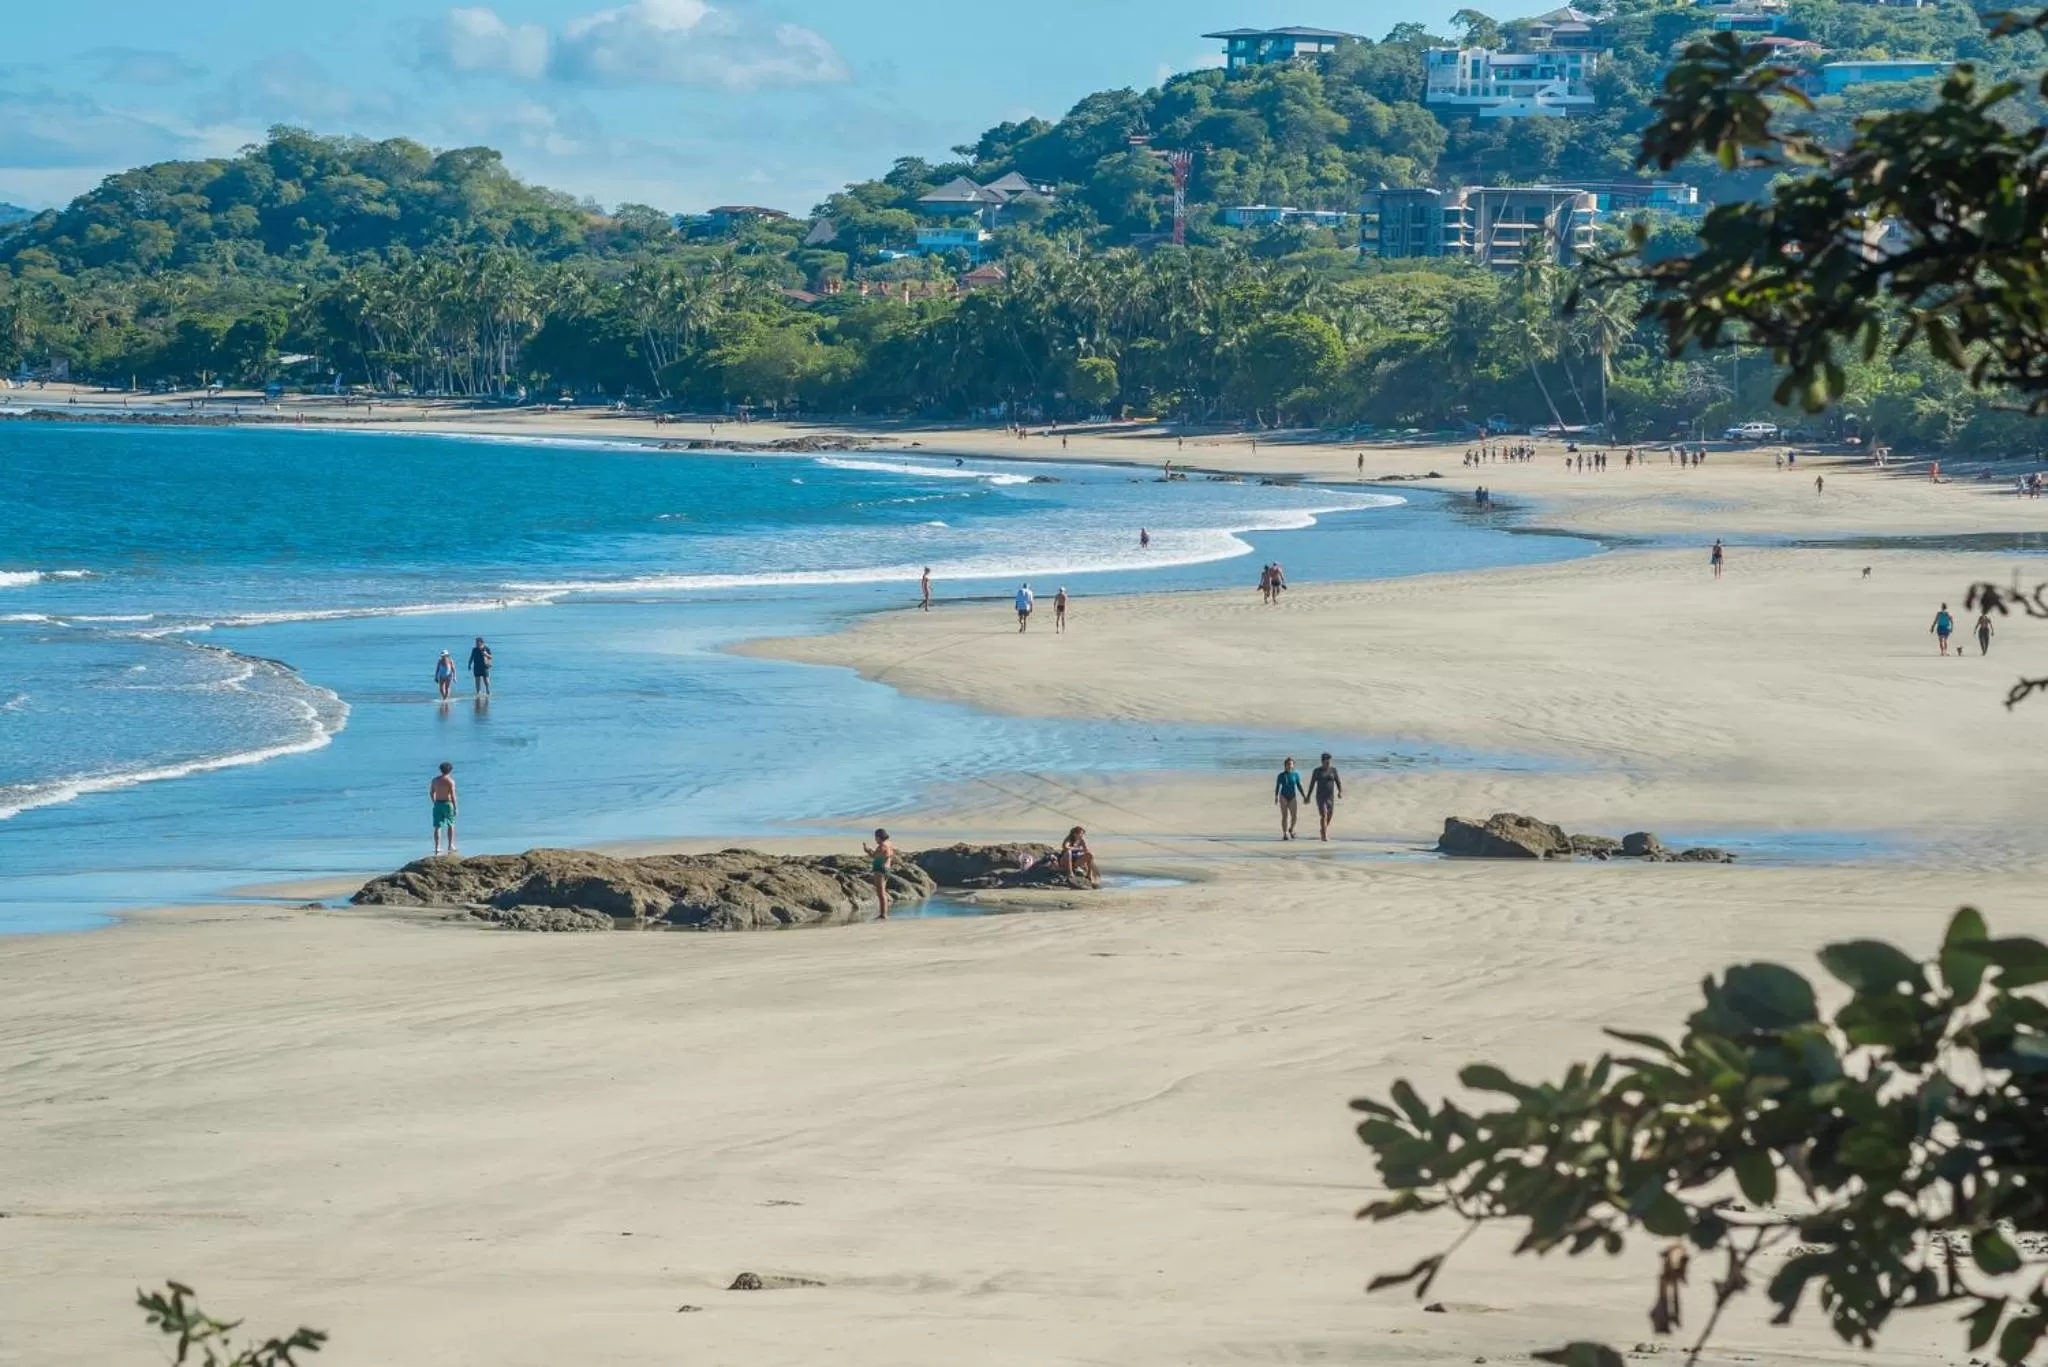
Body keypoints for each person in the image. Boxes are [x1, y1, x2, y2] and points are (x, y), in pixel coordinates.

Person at [1306, 752, 1343, 842]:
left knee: (1330, 815)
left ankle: (1323, 830)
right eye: (1326, 762)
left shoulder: (1333, 770)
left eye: (1329, 762)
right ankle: (1324, 835)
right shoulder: (1317, 771)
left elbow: (1338, 782)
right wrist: (1308, 796)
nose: (1328, 764)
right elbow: (1312, 784)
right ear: (1322, 762)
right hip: (1320, 797)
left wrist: (1340, 792)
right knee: (1324, 815)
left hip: (1330, 797)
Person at [863, 828, 896, 920]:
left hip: (880, 870)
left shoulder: (882, 846)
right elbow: (888, 855)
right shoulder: (889, 843)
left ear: (879, 837)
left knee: (881, 893)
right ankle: (883, 913)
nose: (875, 839)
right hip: (886, 869)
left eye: (876, 837)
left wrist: (867, 850)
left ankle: (883, 914)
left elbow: (874, 856)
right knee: (883, 893)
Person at [430, 762, 459, 855]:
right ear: (450, 770)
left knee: (437, 826)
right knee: (451, 824)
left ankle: (437, 847)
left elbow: (431, 792)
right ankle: (450, 845)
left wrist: (434, 802)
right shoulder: (450, 781)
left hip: (438, 803)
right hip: (447, 803)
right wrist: (456, 807)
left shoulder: (435, 780)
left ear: (440, 770)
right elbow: (453, 795)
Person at [1274, 757, 1305, 841]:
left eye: (1290, 764)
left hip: (1292, 797)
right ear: (1285, 765)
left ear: (1293, 765)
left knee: (1294, 816)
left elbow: (1299, 786)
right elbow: (1277, 786)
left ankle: (1291, 829)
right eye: (1287, 764)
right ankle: (1284, 834)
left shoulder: (1295, 775)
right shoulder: (1281, 775)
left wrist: (1304, 796)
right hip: (1283, 796)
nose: (1289, 766)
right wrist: (1276, 797)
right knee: (1284, 816)